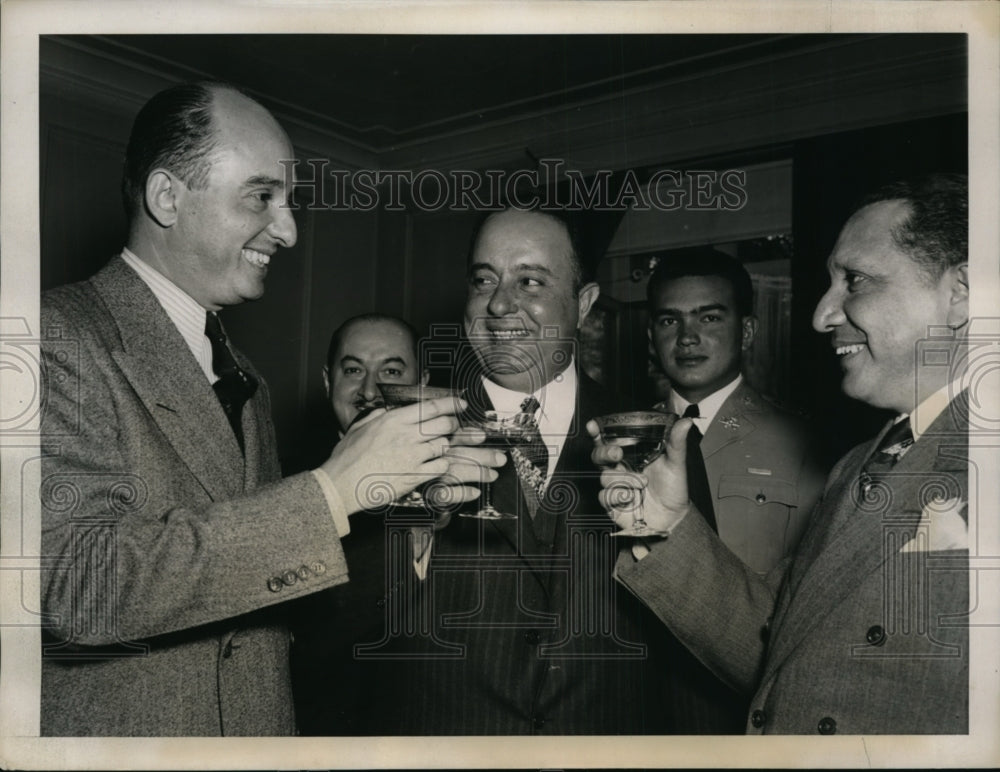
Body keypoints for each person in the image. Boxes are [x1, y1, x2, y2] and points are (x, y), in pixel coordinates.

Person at [38, 82, 494, 736]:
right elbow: (80, 588)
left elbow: (258, 578)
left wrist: (396, 495)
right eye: (262, 197)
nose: (288, 230)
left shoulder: (241, 372)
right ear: (168, 197)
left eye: (289, 203)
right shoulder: (54, 336)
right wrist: (333, 489)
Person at [594, 173, 970, 734]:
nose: (822, 314)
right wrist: (668, 523)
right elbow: (783, 653)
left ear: (962, 291)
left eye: (856, 281)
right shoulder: (859, 463)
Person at [375, 208, 671, 735]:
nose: (499, 303)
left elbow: (690, 655)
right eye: (483, 279)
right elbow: (326, 627)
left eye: (529, 280)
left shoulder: (651, 439)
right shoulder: (399, 430)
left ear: (583, 305)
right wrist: (415, 523)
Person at [641, 248, 826, 732]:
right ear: (650, 336)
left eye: (709, 317)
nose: (687, 338)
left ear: (746, 330)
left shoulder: (807, 444)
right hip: (636, 710)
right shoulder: (620, 442)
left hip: (748, 709)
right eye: (668, 320)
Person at [291, 313, 434, 734]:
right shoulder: (283, 493)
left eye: (391, 371)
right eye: (353, 370)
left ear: (422, 384)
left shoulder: (468, 484)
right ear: (326, 382)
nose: (369, 390)